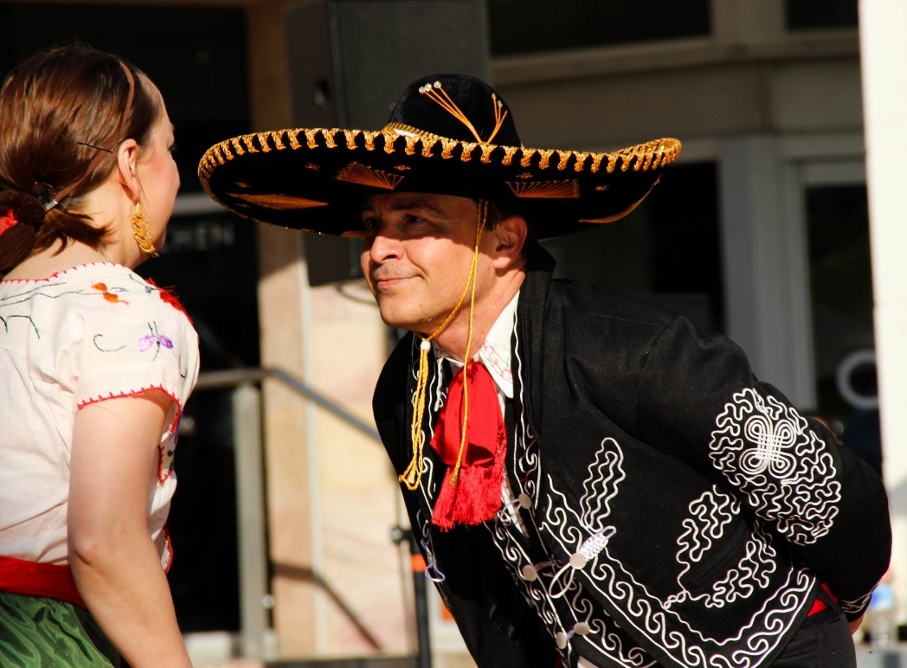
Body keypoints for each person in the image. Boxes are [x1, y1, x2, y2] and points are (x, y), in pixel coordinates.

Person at [198, 74, 892, 667]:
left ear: (504, 240)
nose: (379, 249)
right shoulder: (406, 394)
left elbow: (830, 496)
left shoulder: (627, 349)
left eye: (415, 221)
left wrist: (825, 620)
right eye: (375, 223)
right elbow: (476, 591)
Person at [0, 44, 199, 667]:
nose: (176, 172)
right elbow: (105, 543)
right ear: (131, 164)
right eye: (170, 148)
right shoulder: (127, 312)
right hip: (27, 640)